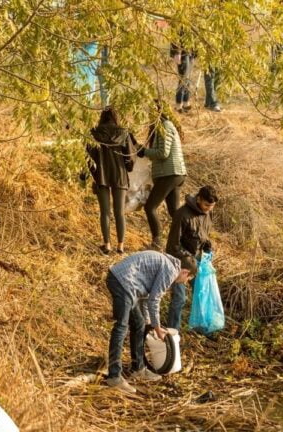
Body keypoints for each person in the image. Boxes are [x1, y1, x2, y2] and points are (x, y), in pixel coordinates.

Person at [105, 251, 197, 394]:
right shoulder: (171, 271)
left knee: (139, 323)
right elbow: (155, 300)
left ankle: (138, 368)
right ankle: (114, 377)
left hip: (125, 282)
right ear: (185, 272)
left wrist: (149, 321)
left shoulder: (168, 263)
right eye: (188, 278)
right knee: (121, 327)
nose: (185, 282)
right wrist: (157, 327)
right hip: (123, 282)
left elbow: (148, 298)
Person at [165, 185, 218, 330]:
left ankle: (202, 326)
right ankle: (172, 332)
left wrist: (207, 245)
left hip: (197, 260)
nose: (209, 208)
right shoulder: (182, 214)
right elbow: (172, 246)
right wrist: (188, 259)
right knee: (179, 299)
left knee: (202, 293)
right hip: (179, 260)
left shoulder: (208, 213)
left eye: (212, 206)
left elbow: (203, 234)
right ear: (199, 199)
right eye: (207, 205)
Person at [137, 101, 188, 250]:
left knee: (150, 207)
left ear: (159, 112)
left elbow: (162, 153)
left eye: (152, 112)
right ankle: (185, 241)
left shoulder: (164, 126)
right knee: (174, 212)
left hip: (169, 173)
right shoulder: (167, 125)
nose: (149, 115)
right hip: (175, 173)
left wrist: (144, 152)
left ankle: (157, 242)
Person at [87, 107, 136, 254]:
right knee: (119, 212)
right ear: (115, 117)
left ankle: (107, 244)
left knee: (105, 212)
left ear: (102, 117)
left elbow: (88, 157)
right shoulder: (123, 133)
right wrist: (128, 167)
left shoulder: (94, 133)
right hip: (119, 175)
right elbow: (130, 156)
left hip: (101, 175)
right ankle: (120, 245)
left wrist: (87, 175)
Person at [171, 37, 195, 113]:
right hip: (182, 52)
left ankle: (185, 102)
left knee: (187, 78)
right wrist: (177, 52)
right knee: (183, 77)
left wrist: (195, 53)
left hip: (190, 50)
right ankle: (178, 104)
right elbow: (175, 34)